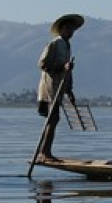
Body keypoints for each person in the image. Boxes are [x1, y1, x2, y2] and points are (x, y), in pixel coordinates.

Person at [36, 13, 85, 162]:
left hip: (59, 88)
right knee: (53, 118)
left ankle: (44, 152)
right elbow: (42, 64)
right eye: (68, 29)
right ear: (62, 29)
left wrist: (69, 90)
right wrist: (62, 66)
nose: (71, 32)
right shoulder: (54, 43)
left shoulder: (67, 46)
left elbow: (67, 72)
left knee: (53, 120)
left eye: (73, 30)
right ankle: (45, 153)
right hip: (49, 89)